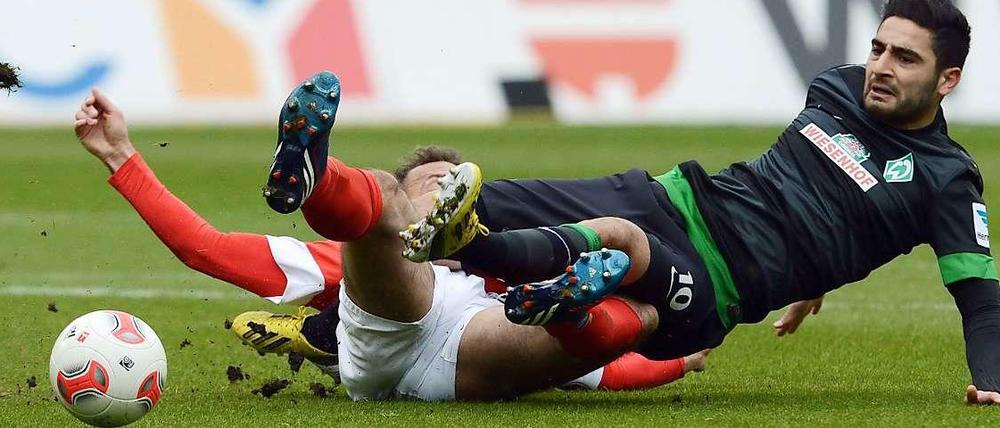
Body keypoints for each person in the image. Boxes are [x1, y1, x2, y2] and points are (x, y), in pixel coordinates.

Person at [392, 0, 999, 404]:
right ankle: (333, 232)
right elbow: (831, 189)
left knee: (620, 248)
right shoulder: (837, 86)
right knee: (451, 190)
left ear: (948, 80)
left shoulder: (947, 181)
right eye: (878, 49)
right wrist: (824, 272)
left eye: (906, 58)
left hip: (715, 282)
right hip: (668, 197)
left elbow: (980, 303)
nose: (881, 67)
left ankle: (483, 255)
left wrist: (992, 382)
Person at [73, 85, 709, 399]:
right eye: (430, 184)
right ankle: (316, 178)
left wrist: (678, 360)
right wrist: (122, 155)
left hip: (468, 348)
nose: (445, 192)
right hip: (394, 332)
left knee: (635, 317)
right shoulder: (357, 246)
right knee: (378, 203)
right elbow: (204, 247)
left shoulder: (514, 255)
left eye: (455, 187)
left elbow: (603, 373)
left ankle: (566, 306)